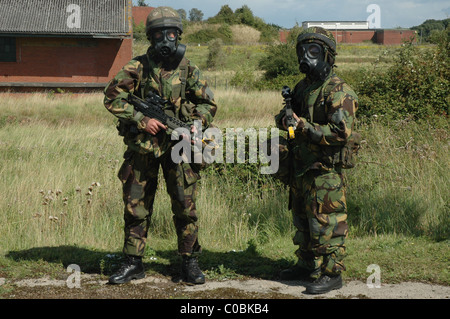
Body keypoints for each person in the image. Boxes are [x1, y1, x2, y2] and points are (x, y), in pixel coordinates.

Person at [103, 7, 217, 285]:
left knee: (185, 206)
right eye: (159, 35)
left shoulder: (189, 68)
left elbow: (208, 103)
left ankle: (189, 263)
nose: (165, 40)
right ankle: (133, 262)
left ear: (178, 35)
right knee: (136, 206)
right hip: (143, 148)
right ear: (150, 37)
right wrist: (142, 119)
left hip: (180, 149)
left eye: (170, 34)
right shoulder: (136, 67)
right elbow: (112, 97)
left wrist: (196, 122)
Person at [274, 27, 358, 294]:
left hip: (325, 170)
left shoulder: (339, 91)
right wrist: (285, 119)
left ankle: (332, 273)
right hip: (301, 167)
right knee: (302, 220)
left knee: (328, 222)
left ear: (327, 55)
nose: (306, 58)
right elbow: (285, 118)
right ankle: (306, 264)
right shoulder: (302, 88)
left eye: (313, 51)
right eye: (302, 51)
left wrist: (304, 128)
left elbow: (340, 133)